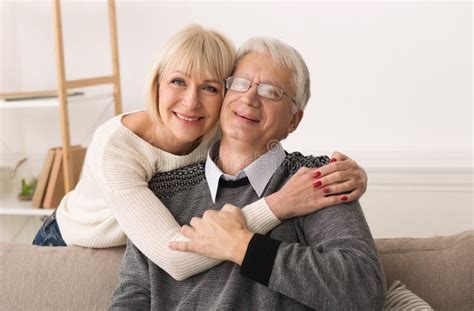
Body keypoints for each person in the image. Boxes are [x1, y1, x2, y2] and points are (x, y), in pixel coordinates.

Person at [33, 25, 368, 281]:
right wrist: (280, 205)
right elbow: (176, 258)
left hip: (143, 247)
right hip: (69, 242)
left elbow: (266, 134)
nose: (191, 102)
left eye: (209, 87)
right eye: (178, 81)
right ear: (156, 85)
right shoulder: (115, 146)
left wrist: (351, 174)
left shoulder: (217, 128)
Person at [110, 37, 385, 310]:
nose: (249, 98)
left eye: (271, 91)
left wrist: (241, 245)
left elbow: (363, 290)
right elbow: (131, 299)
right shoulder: (163, 188)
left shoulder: (315, 180)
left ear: (294, 119)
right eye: (240, 84)